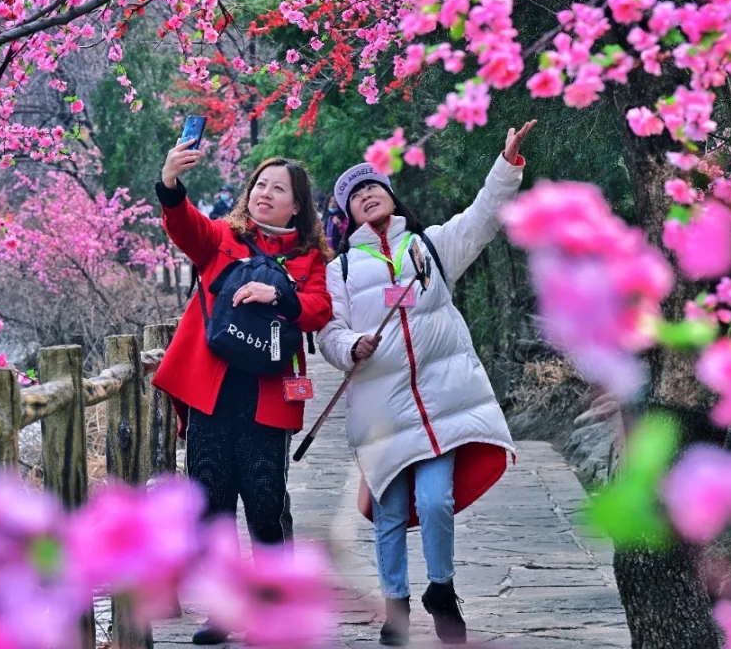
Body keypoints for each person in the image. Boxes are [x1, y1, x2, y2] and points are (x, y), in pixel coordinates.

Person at [318, 121, 536, 646]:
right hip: (381, 412)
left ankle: (442, 589)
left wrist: (506, 166)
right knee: (390, 512)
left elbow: (483, 218)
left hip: (440, 404)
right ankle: (396, 606)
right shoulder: (341, 271)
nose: (367, 195)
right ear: (347, 215)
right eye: (355, 194)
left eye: (374, 187)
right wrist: (349, 346)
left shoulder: (431, 248)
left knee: (436, 501)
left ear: (391, 197)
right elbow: (329, 330)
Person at [153, 140, 333, 645]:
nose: (265, 194)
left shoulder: (308, 257)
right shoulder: (223, 239)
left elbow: (319, 308)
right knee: (211, 499)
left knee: (263, 499)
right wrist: (170, 183)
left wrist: (280, 292)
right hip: (212, 391)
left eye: (278, 189)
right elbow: (184, 226)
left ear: (297, 204)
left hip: (266, 393)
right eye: (260, 185)